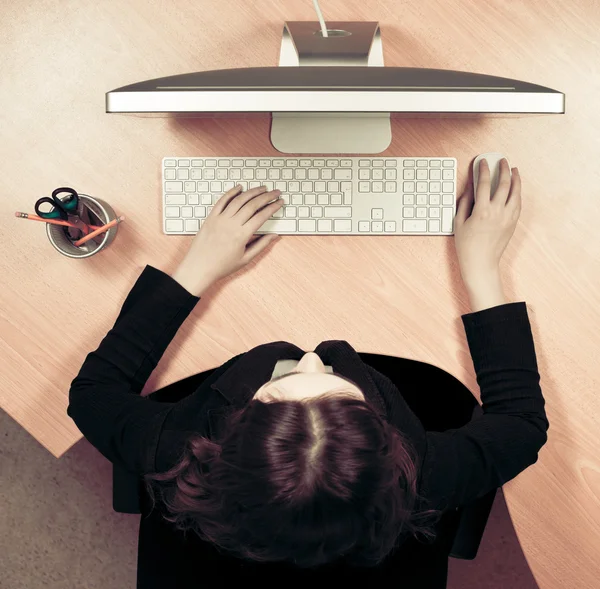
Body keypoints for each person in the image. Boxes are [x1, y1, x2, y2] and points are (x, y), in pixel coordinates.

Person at [67, 158, 549, 588]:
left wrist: (197, 266)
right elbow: (522, 425)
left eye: (281, 384)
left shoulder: (178, 449)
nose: (312, 356)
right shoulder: (422, 476)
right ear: (387, 443)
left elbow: (91, 393)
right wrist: (482, 266)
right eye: (341, 390)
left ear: (232, 433)